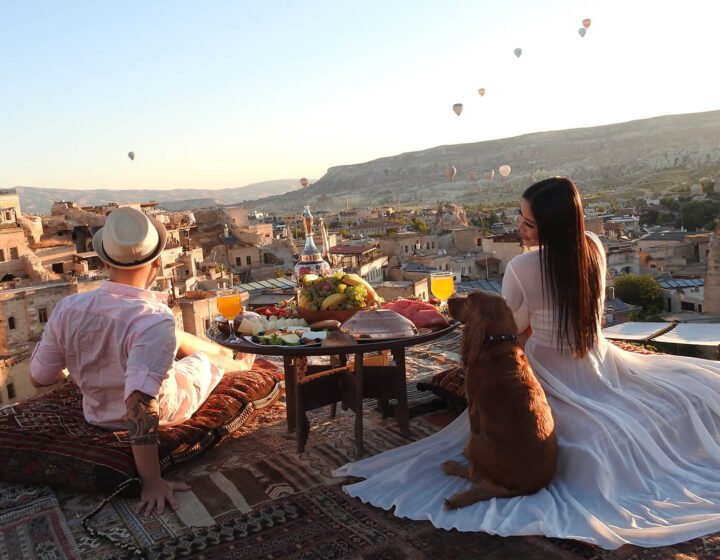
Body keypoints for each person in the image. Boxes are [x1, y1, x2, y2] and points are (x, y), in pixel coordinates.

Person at [334, 177, 720, 549]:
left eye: (529, 222)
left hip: (549, 368)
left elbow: (512, 329)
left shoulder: (522, 267)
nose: (520, 227)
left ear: (551, 225)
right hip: (597, 359)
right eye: (519, 216)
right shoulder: (594, 247)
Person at [30, 207, 255, 516]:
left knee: (168, 339)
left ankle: (218, 356)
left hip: (96, 414)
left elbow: (41, 377)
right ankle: (239, 365)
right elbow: (140, 401)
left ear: (105, 260)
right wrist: (151, 480)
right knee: (204, 359)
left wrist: (77, 361)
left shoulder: (68, 307)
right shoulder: (153, 319)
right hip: (165, 410)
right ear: (158, 262)